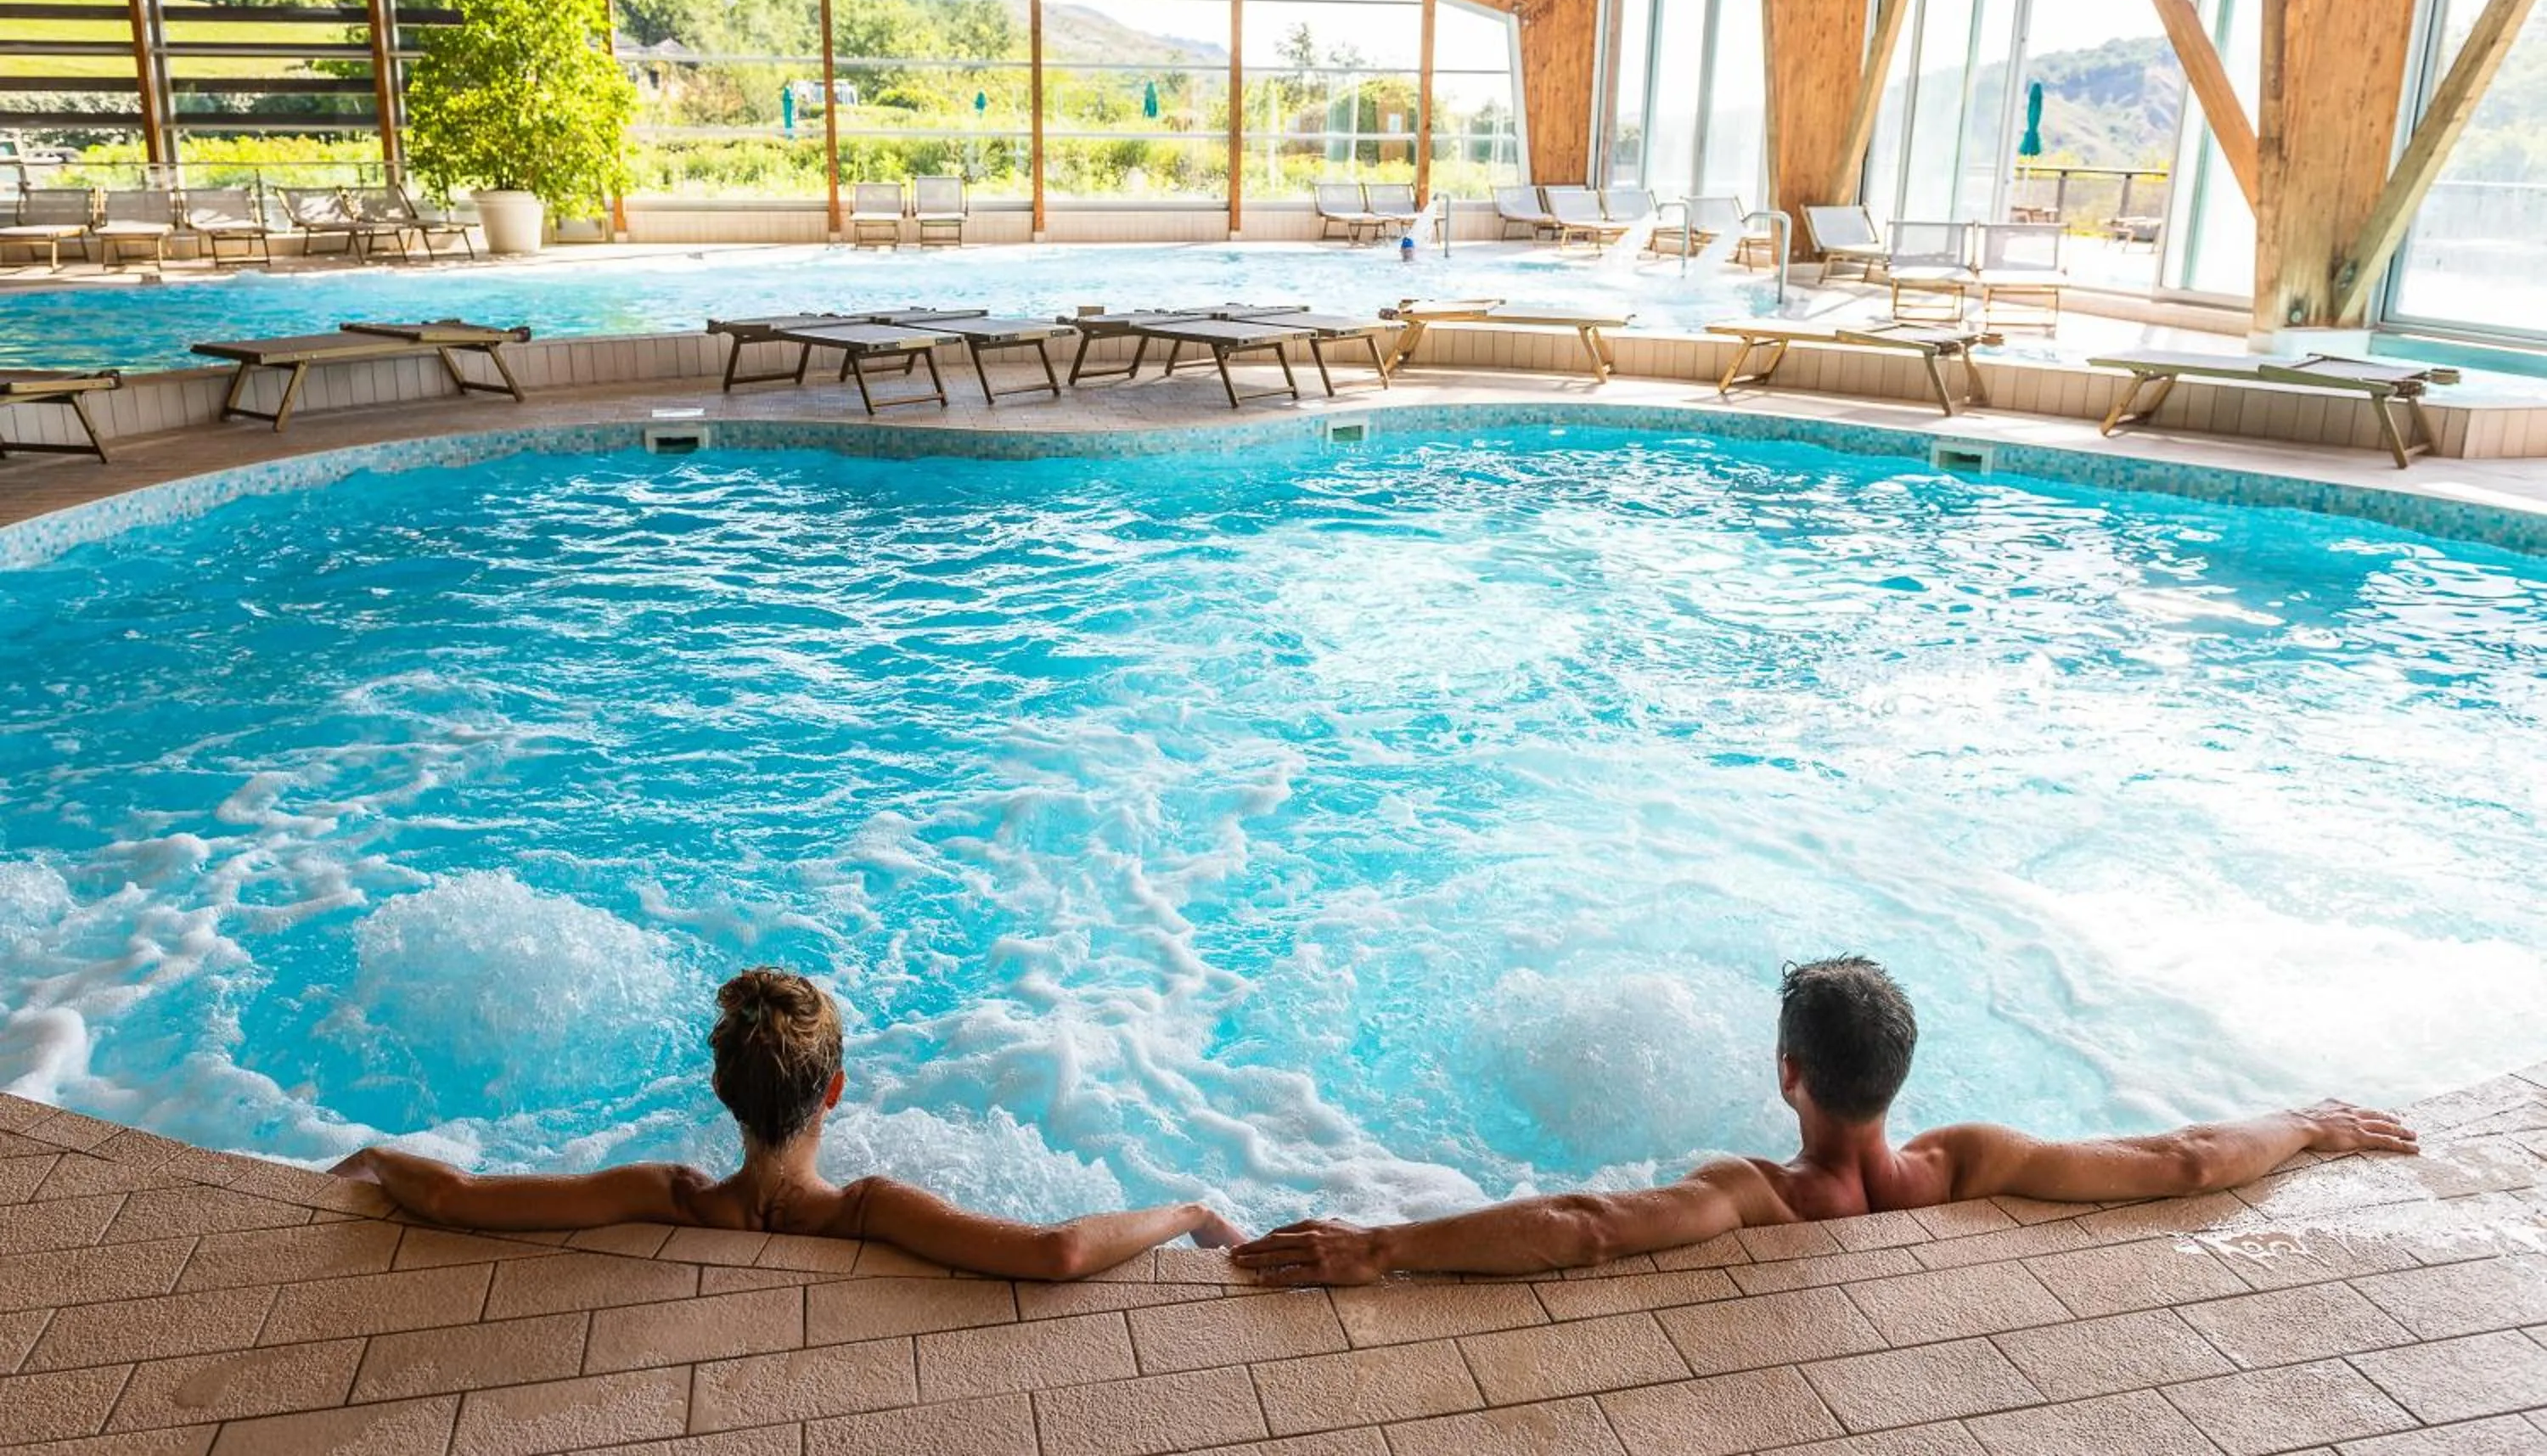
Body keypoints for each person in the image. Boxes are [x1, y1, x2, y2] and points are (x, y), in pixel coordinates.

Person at [1232, 953, 2420, 1286]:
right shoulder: (1967, 1161)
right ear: (1899, 1073)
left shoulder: (1762, 1193)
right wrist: (2305, 1123)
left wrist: (1384, 1244)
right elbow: (2181, 1158)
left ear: (1787, 1073)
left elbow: (1590, 1227)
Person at [333, 966, 1241, 1280]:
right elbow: (1058, 1254)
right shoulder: (865, 1211)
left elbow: (454, 1197)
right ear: (836, 1090)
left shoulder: (666, 1195)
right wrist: (1191, 1211)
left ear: (724, 1093)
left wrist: (376, 1155)